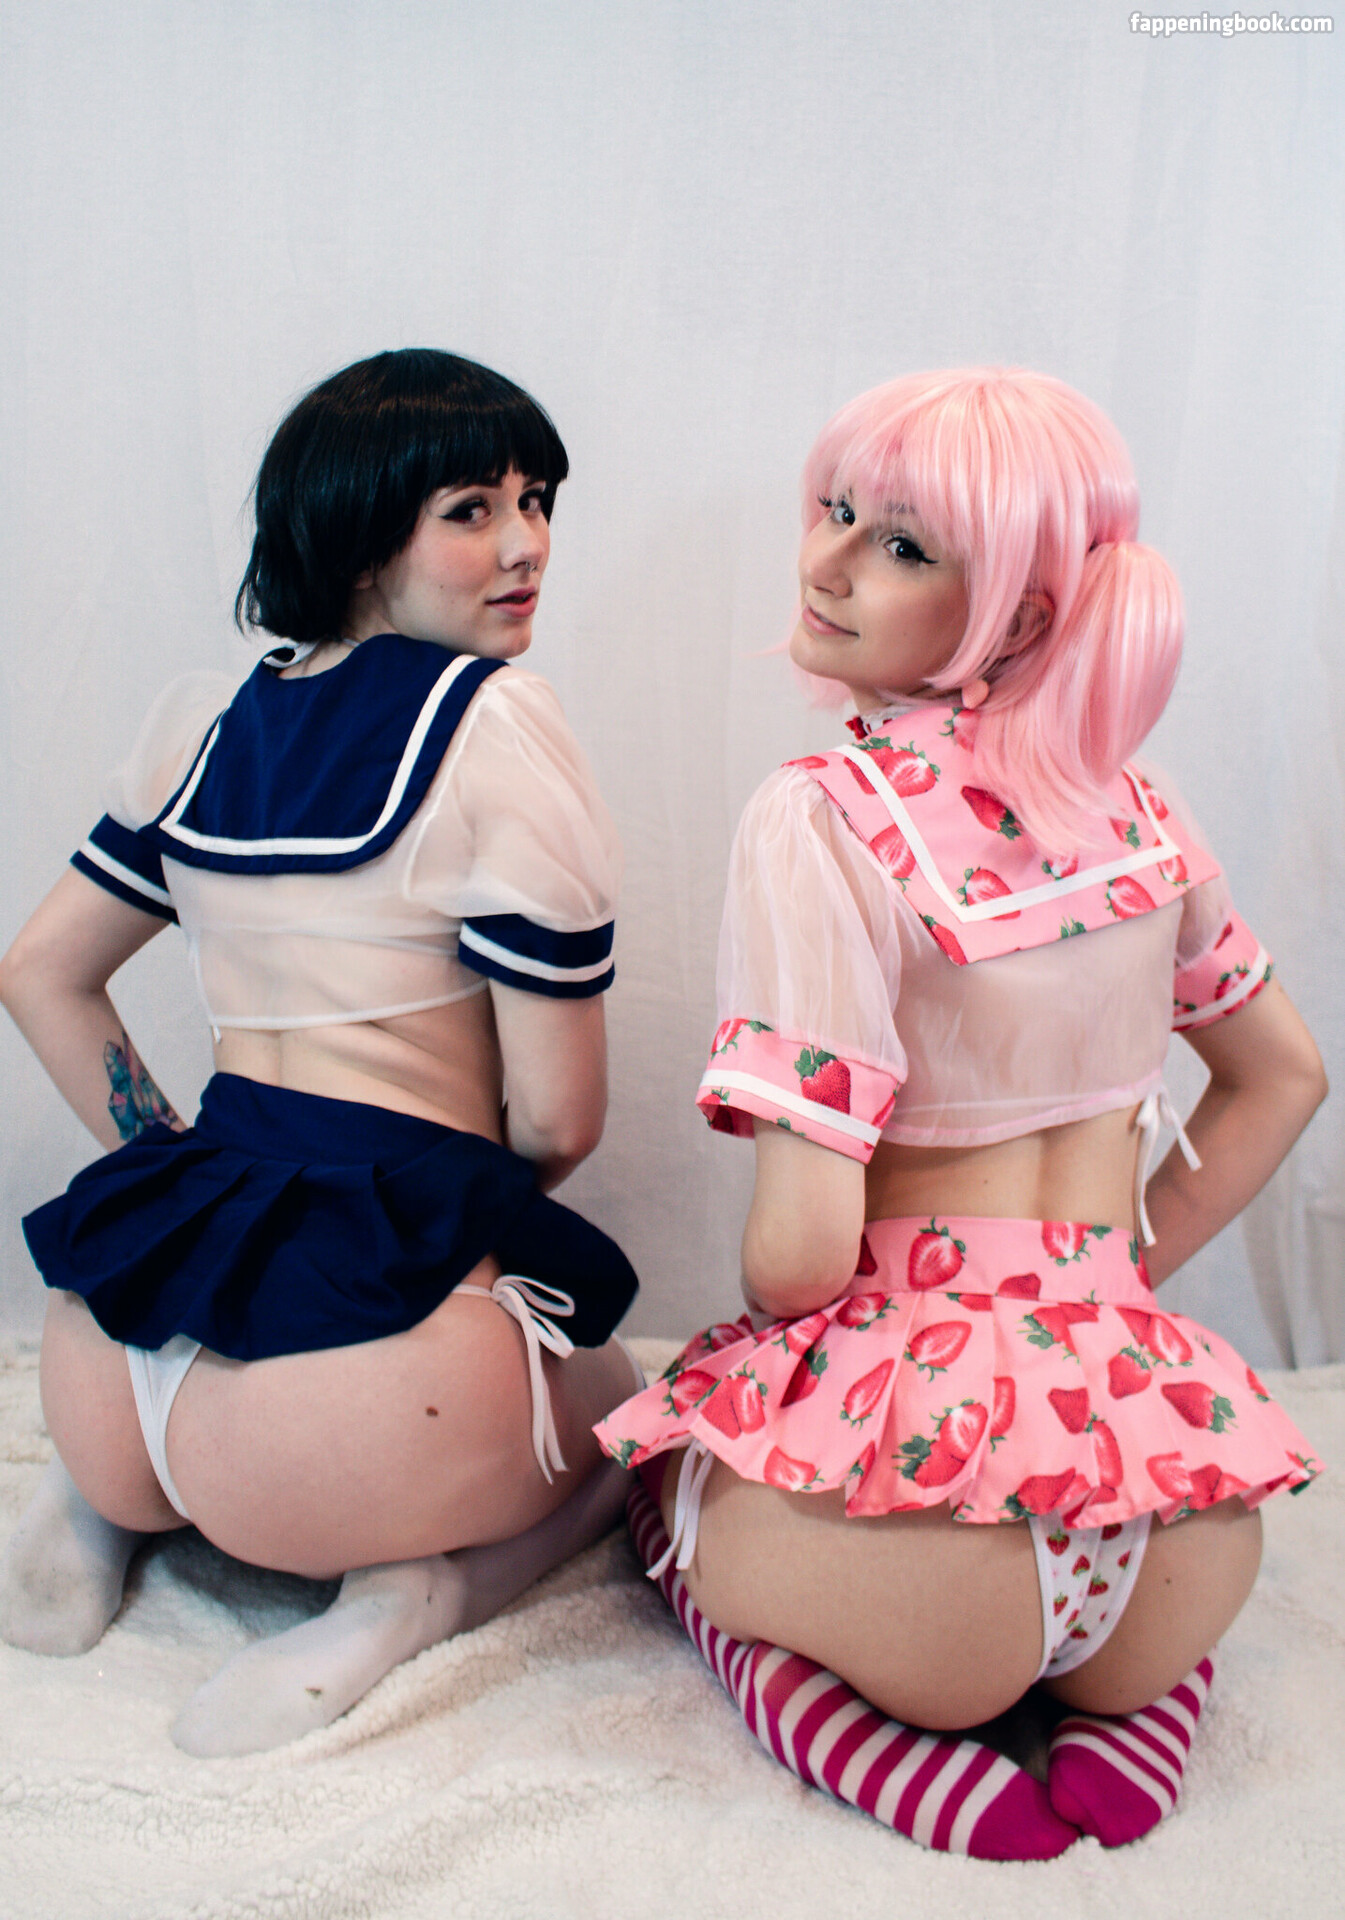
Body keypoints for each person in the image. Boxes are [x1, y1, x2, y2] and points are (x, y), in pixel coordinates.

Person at [595, 368, 1327, 1859]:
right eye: (834, 511)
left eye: (900, 545)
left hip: (933, 1567)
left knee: (668, 1477)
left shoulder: (823, 813)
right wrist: (1110, 1278)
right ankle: (1135, 1708)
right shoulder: (1141, 807)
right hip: (1180, 1524)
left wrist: (771, 1355)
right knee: (1131, 1619)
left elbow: (802, 1258)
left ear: (1028, 615)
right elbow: (1283, 1077)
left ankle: (860, 1736)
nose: (825, 563)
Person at [0, 349, 641, 1756]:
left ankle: (99, 1504)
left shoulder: (203, 724)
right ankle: (408, 1589)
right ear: (355, 535)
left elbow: (38, 973)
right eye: (471, 509)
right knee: (637, 1411)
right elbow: (558, 1121)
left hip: (108, 1352)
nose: (527, 544)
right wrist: (441, 1227)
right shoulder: (497, 728)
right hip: (355, 1403)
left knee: (149, 1416)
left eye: (537, 500)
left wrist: (172, 1174)